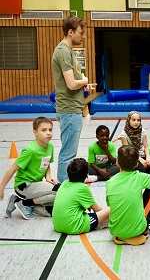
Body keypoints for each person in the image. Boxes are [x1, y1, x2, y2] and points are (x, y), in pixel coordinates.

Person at [52, 15, 95, 183]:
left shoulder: (68, 51)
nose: (82, 36)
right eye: (80, 33)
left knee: (70, 151)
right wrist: (83, 81)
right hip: (69, 110)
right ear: (70, 32)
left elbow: (71, 81)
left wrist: (84, 84)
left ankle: (67, 184)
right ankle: (63, 189)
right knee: (68, 153)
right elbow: (70, 84)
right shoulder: (63, 52)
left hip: (73, 108)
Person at [1, 117, 60, 220]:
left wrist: (48, 177)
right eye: (44, 130)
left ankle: (18, 202)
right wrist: (1, 188)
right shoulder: (30, 150)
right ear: (35, 132)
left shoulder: (49, 146)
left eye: (50, 130)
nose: (48, 133)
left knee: (56, 207)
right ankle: (24, 202)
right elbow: (12, 169)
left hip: (37, 184)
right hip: (24, 186)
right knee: (59, 191)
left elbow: (47, 163)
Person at [106, 146, 150, 245]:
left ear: (117, 162)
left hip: (115, 230)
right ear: (136, 164)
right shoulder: (139, 177)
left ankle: (123, 234)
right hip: (137, 230)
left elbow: (110, 205)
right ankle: (144, 229)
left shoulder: (109, 182)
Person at [52, 158, 110, 234]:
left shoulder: (64, 183)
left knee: (86, 209)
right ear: (87, 175)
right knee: (111, 208)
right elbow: (97, 210)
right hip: (73, 226)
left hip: (57, 226)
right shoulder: (82, 188)